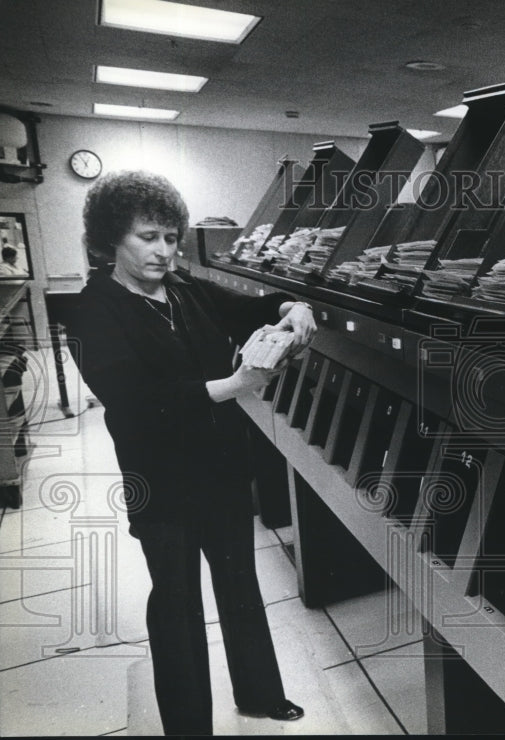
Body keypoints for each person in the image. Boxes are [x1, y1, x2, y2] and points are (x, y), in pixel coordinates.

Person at [70, 170, 316, 736]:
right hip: (161, 482)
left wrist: (293, 305)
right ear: (112, 238)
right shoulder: (92, 310)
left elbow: (252, 307)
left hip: (223, 466)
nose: (163, 250)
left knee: (239, 584)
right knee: (177, 602)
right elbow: (133, 402)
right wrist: (236, 385)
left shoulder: (186, 289)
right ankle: (188, 726)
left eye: (171, 237)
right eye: (148, 237)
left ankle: (260, 694)